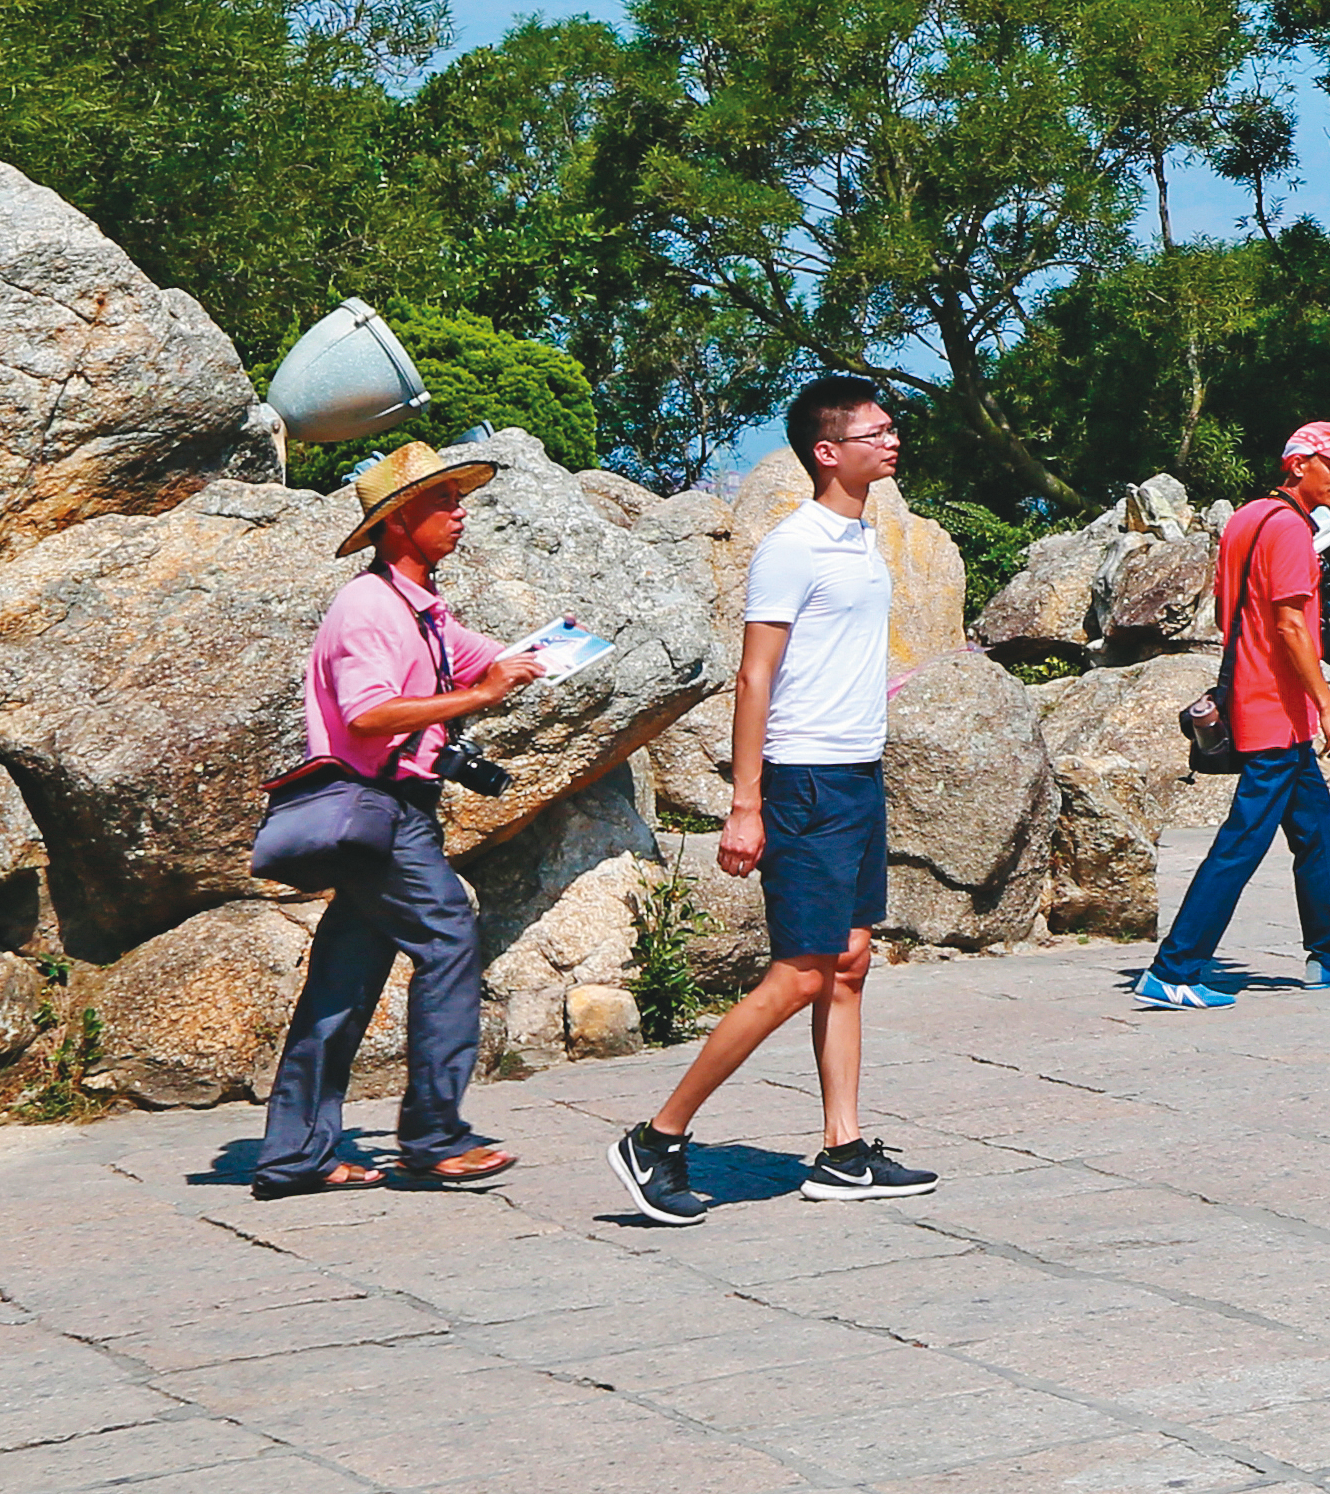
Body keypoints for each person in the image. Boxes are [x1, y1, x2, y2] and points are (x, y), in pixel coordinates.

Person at [611, 376, 942, 1218]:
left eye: (892, 427)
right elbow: (754, 676)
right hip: (803, 780)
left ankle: (843, 1150)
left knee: (851, 963)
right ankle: (657, 1138)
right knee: (799, 973)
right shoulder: (792, 545)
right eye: (876, 431)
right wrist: (746, 803)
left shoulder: (861, 538)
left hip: (858, 773)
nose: (892, 440)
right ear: (827, 451)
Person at [250, 442, 544, 1197]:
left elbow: (491, 661)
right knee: (449, 937)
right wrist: (479, 700)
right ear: (397, 521)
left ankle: (295, 1156)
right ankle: (433, 1137)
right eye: (442, 502)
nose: (459, 513)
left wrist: (550, 654)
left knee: (343, 983)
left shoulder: (425, 612)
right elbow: (371, 712)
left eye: (457, 499)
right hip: (378, 812)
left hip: (397, 813)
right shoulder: (369, 608)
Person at [1136, 422, 1330, 1007]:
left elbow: (1229, 610)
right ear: (1299, 465)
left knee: (1315, 829)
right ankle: (1175, 968)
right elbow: (1292, 625)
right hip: (1276, 710)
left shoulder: (1247, 518)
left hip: (1266, 705)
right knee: (1243, 841)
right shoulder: (1292, 531)